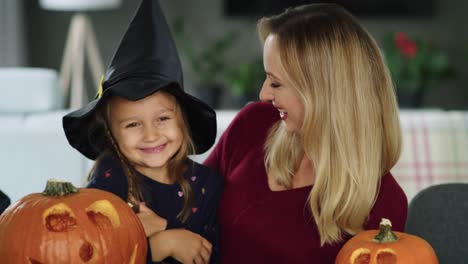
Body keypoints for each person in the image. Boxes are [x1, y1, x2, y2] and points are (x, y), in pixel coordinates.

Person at [204, 3, 408, 263]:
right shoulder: (252, 124)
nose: (263, 94)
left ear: (323, 93)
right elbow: (190, 201)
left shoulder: (384, 204)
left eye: (276, 83)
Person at [62, 1, 221, 263]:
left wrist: (163, 227)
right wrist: (160, 246)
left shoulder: (206, 185)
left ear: (183, 120)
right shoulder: (110, 180)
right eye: (133, 124)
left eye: (162, 118)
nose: (150, 135)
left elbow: (212, 256)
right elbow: (93, 254)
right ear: (111, 132)